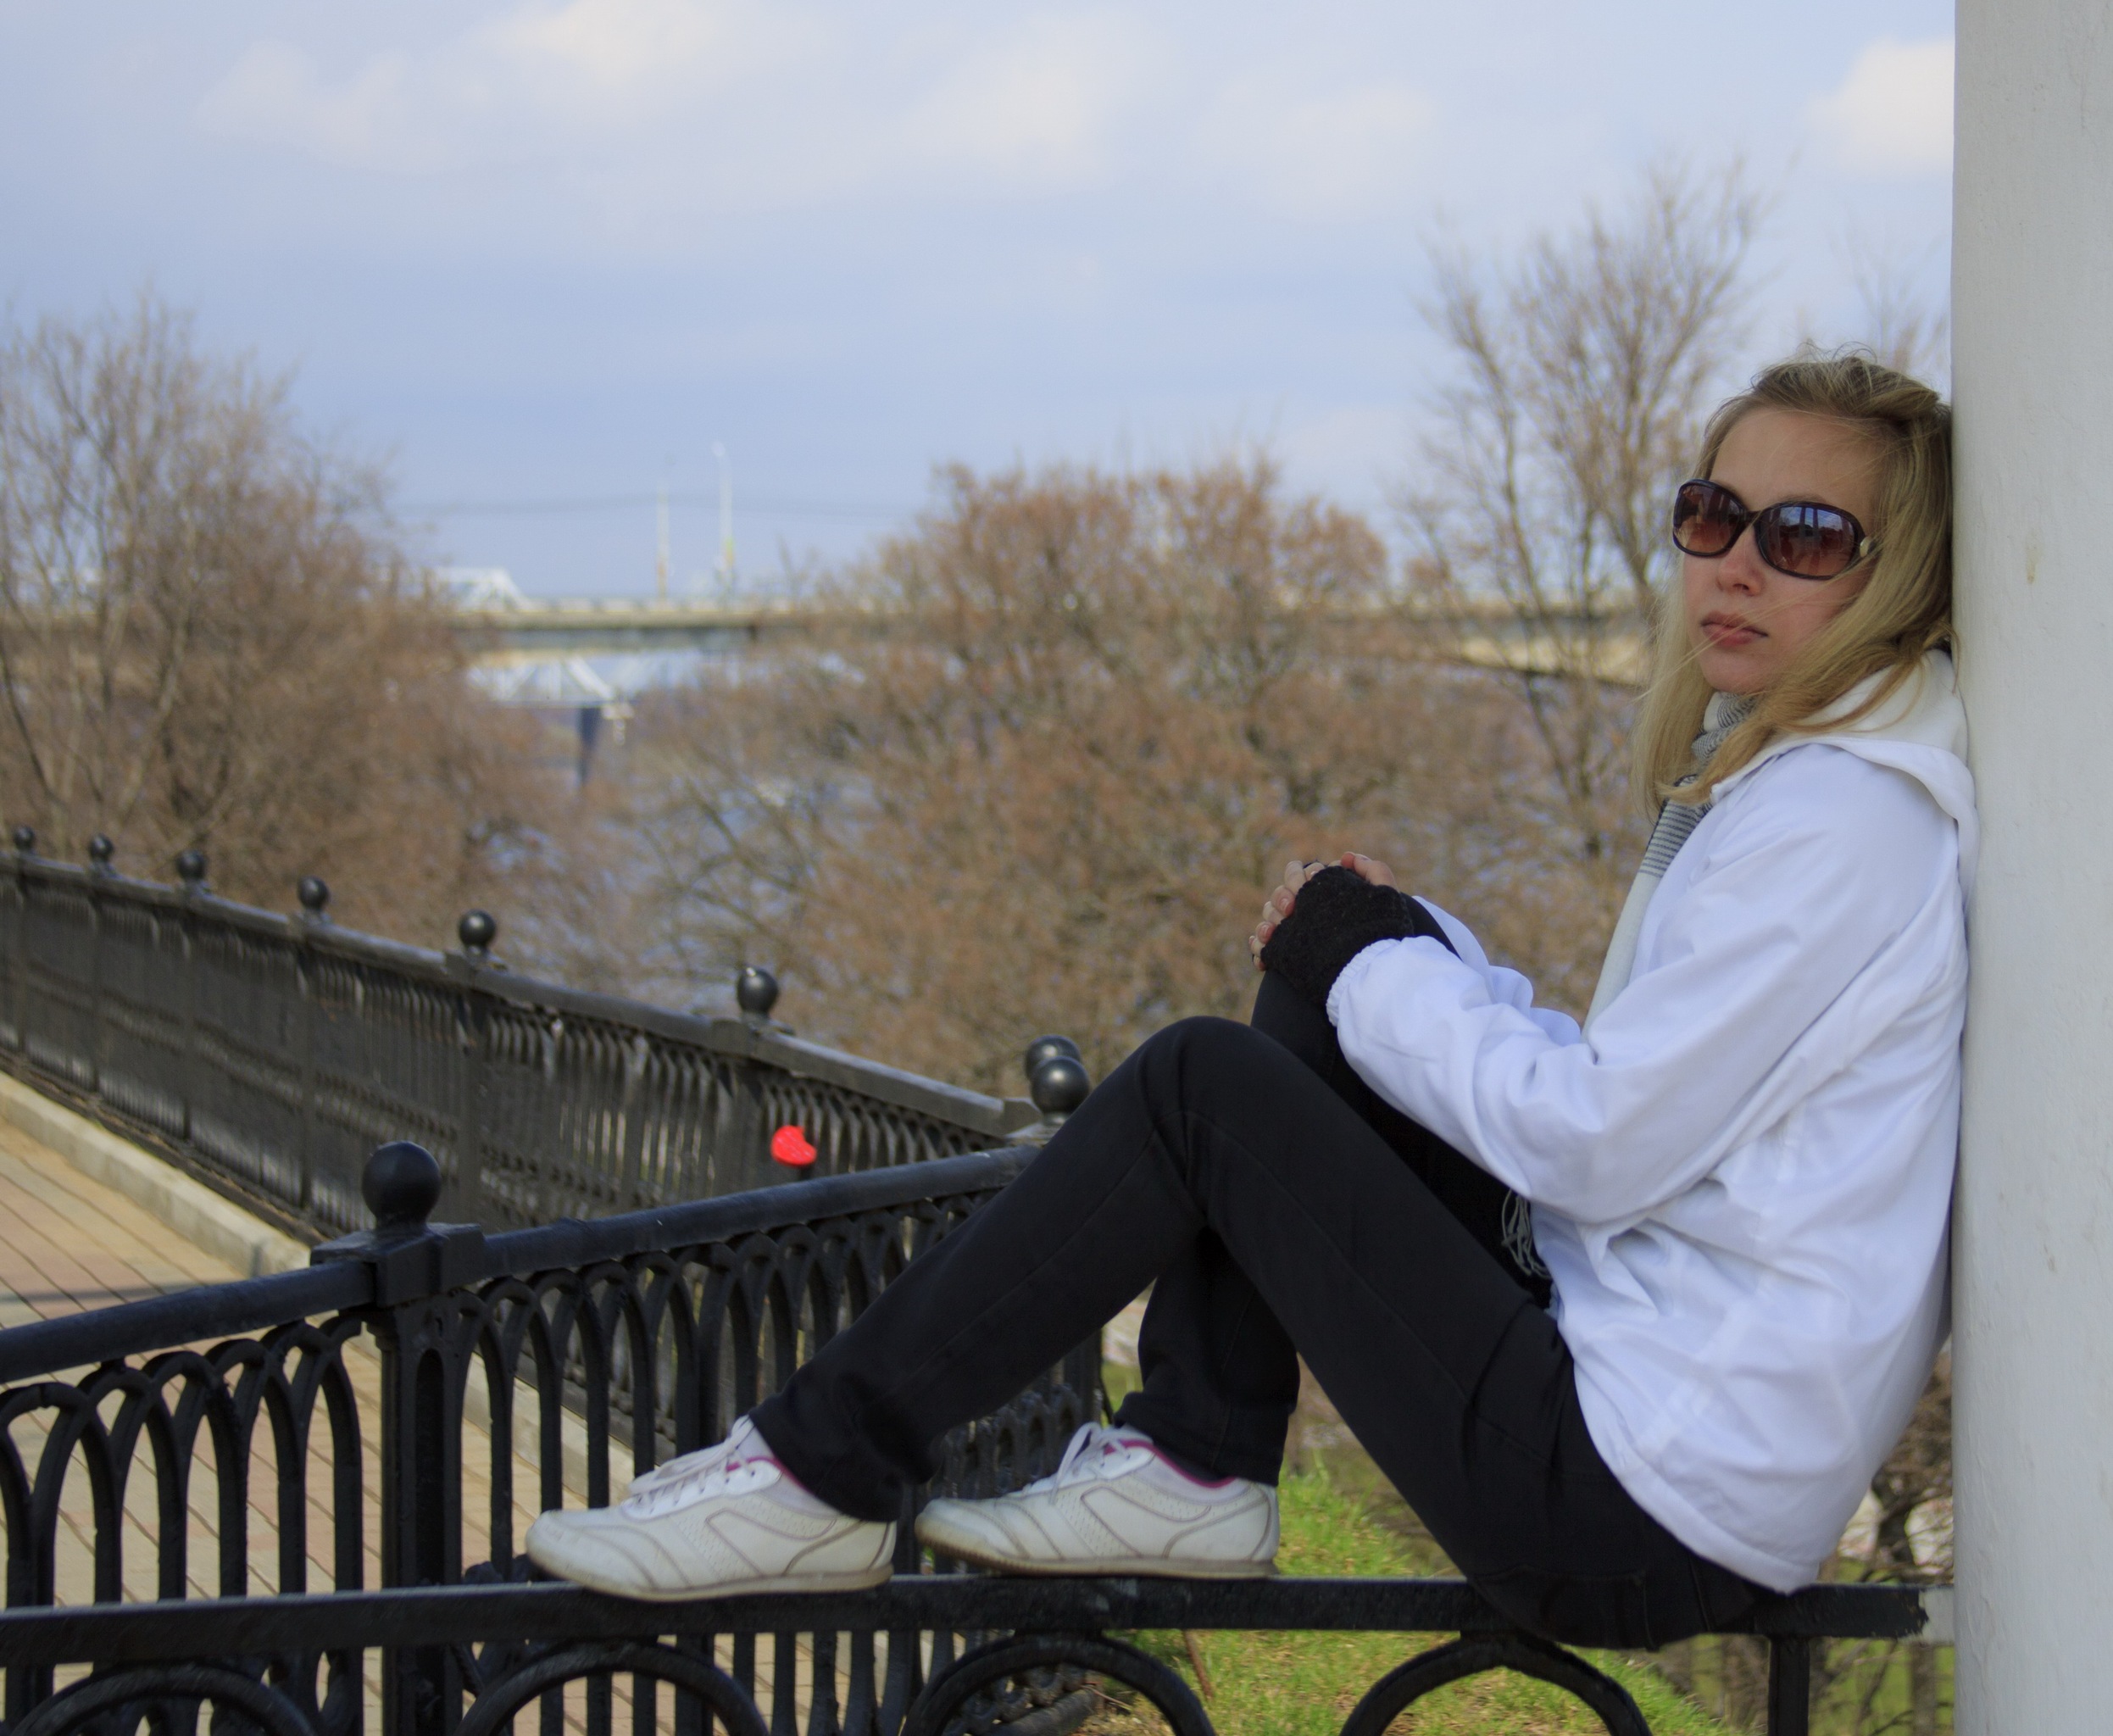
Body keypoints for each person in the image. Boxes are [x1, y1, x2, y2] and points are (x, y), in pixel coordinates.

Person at [525, 353, 1968, 1650]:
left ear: (1894, 580)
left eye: (1804, 537)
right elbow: (1641, 1104)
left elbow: (1595, 1145)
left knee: (1198, 1088)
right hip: (1650, 1415)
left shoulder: (1835, 823)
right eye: (1712, 517)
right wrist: (1391, 950)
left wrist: (1381, 968)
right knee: (1319, 993)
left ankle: (819, 1474)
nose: (1735, 566)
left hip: (1634, 1513)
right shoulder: (1809, 786)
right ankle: (1194, 1460)